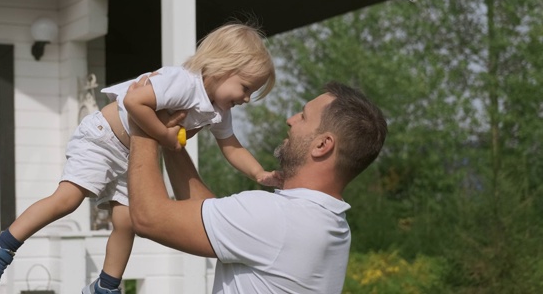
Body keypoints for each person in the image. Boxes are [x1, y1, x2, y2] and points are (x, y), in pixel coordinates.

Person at [0, 22, 278, 294]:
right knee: (68, 198)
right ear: (223, 67)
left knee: (127, 220)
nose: (247, 99)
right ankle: (0, 246)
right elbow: (134, 101)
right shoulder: (182, 82)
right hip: (103, 138)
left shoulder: (218, 109)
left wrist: (258, 173)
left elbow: (231, 145)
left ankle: (105, 285)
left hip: (130, 154)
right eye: (246, 87)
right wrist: (164, 136)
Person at [127, 81, 388, 294]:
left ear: (322, 145)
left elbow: (148, 218)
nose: (290, 120)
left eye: (304, 117)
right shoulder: (331, 223)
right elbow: (207, 216)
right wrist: (171, 141)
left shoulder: (279, 219)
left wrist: (143, 120)